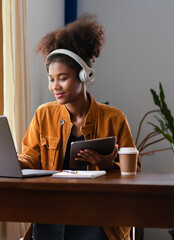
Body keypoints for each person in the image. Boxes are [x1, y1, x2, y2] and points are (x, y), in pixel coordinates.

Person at [17, 14, 141, 240]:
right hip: (52, 210)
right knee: (46, 228)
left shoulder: (114, 118)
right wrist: (10, 161)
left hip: (99, 214)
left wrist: (108, 166)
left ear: (85, 75)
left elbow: (135, 174)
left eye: (62, 78)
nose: (55, 86)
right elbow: (31, 158)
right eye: (51, 79)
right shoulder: (43, 114)